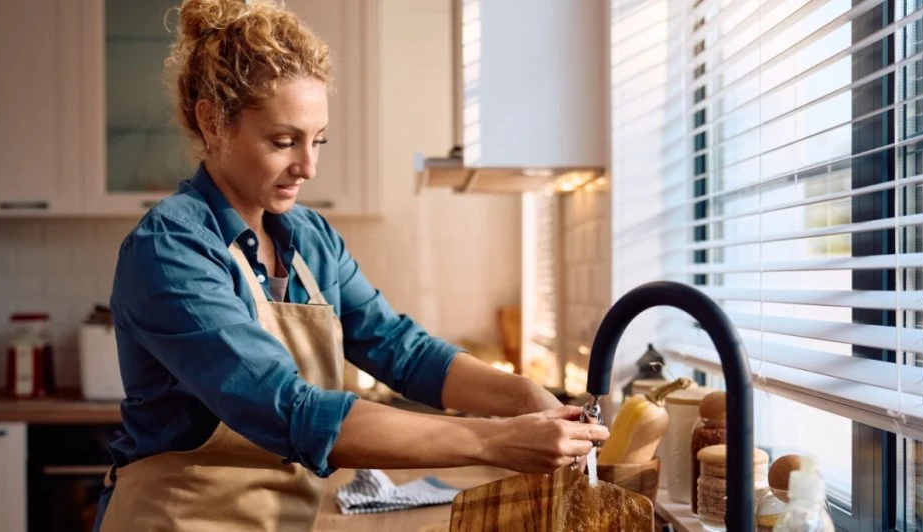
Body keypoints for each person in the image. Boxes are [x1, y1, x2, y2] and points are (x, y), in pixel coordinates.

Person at [93, 0, 609, 530]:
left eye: (318, 140)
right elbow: (288, 409)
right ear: (213, 122)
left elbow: (403, 353)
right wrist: (496, 440)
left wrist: (525, 397)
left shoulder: (312, 240)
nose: (308, 166)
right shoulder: (171, 247)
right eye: (283, 141)